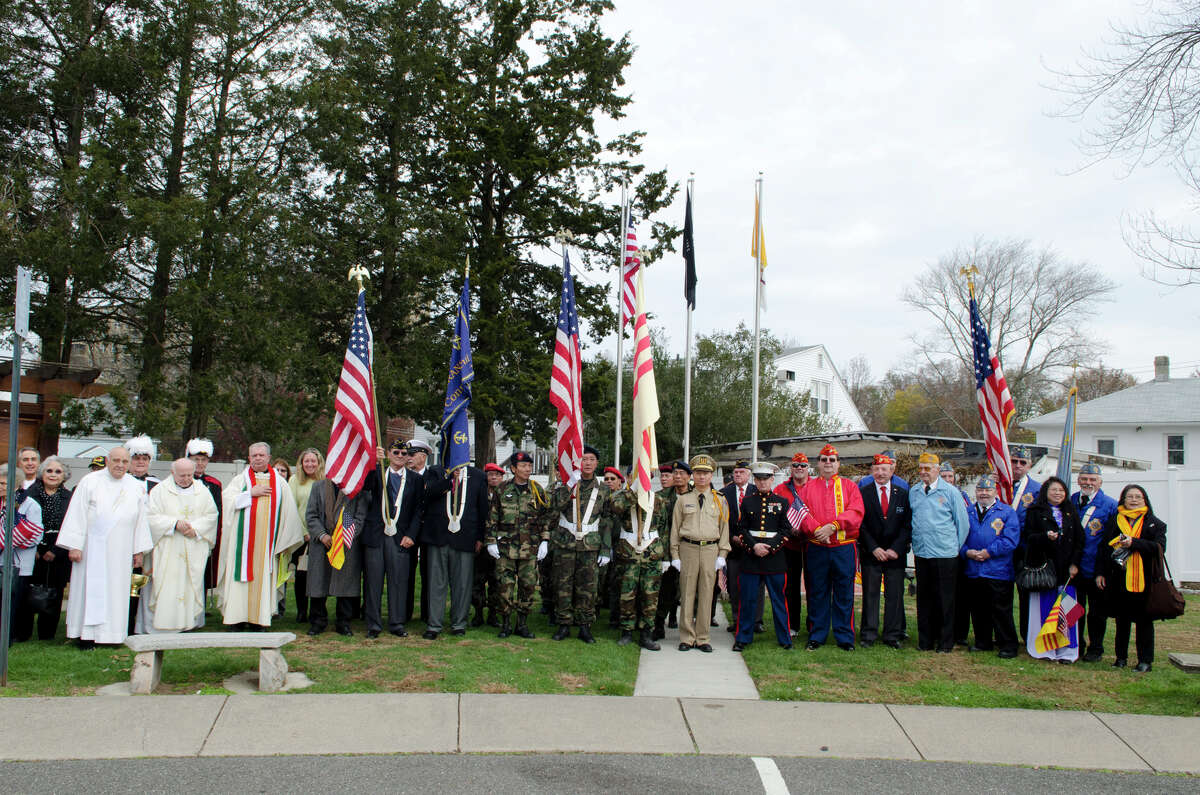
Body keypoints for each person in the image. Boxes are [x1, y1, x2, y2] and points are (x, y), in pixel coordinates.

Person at [57, 447, 154, 647]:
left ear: (129, 464)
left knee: (116, 591)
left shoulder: (135, 486)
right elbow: (77, 513)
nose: (120, 465)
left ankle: (112, 635)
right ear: (108, 461)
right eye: (116, 460)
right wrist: (75, 545)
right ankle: (85, 636)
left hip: (121, 549)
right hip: (91, 547)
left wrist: (138, 551)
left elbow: (141, 520)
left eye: (124, 462)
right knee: (89, 588)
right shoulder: (90, 481)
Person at [219, 442, 305, 629]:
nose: (258, 458)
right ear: (249, 458)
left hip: (267, 546)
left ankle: (259, 619)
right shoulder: (240, 481)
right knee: (239, 580)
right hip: (242, 547)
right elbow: (226, 502)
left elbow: (289, 514)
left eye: (261, 455)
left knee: (263, 580)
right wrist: (250, 493)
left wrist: (284, 542)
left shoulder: (280, 483)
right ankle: (236, 619)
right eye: (254, 455)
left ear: (268, 458)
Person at [795, 444, 864, 651]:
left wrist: (833, 526)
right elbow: (801, 512)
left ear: (838, 464)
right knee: (817, 591)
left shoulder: (850, 487)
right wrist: (818, 530)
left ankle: (844, 637)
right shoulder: (808, 487)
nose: (828, 463)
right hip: (817, 547)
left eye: (832, 460)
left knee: (844, 592)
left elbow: (856, 512)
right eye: (824, 460)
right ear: (818, 463)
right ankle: (817, 634)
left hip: (843, 548)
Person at [548, 446, 613, 643]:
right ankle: (563, 624)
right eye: (583, 459)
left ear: (596, 463)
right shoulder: (565, 487)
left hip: (590, 546)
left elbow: (607, 520)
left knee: (588, 587)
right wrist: (569, 486)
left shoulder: (603, 490)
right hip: (565, 544)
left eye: (591, 459)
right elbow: (554, 508)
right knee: (563, 585)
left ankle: (585, 626)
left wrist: (605, 548)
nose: (587, 462)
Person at [1097, 484, 1165, 673]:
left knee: (1144, 621)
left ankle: (1145, 660)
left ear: (1145, 500)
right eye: (1130, 497)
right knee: (1122, 620)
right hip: (1118, 577)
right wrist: (1101, 572)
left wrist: (1134, 543)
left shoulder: (1154, 523)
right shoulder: (1114, 521)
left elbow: (1159, 548)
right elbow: (1103, 548)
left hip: (1144, 579)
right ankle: (1120, 658)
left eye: (1138, 497)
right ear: (1123, 500)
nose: (1134, 500)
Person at [145, 458, 219, 632]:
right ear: (173, 473)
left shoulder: (202, 491)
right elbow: (151, 517)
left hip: (193, 546)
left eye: (189, 475)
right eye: (182, 475)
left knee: (189, 584)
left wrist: (197, 529)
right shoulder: (160, 491)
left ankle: (187, 624)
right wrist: (174, 524)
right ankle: (165, 624)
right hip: (169, 546)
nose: (186, 479)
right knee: (167, 583)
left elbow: (211, 515)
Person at [908, 452, 970, 653]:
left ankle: (945, 642)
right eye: (921, 468)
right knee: (924, 598)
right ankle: (925, 640)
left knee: (945, 599)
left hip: (945, 554)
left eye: (928, 468)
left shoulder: (950, 492)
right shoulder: (915, 491)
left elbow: (962, 524)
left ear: (937, 470)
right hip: (923, 553)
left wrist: (953, 547)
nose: (924, 472)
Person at [421, 459, 489, 639]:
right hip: (438, 536)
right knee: (436, 583)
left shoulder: (478, 476)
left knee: (463, 583)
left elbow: (483, 510)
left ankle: (459, 623)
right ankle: (434, 624)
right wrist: (449, 479)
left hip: (465, 537)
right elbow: (427, 494)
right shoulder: (435, 472)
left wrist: (480, 537)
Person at [669, 454, 729, 653]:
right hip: (688, 549)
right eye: (698, 473)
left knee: (706, 593)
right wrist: (675, 555)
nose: (702, 477)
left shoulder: (720, 500)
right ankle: (687, 636)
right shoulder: (683, 500)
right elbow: (675, 530)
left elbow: (724, 529)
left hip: (711, 549)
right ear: (693, 475)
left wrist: (723, 554)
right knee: (686, 593)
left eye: (706, 473)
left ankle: (702, 637)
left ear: (711, 476)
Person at [487, 451, 550, 639]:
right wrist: (491, 542)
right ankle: (505, 623)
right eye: (523, 466)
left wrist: (545, 541)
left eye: (529, 466)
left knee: (528, 587)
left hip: (529, 549)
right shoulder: (502, 489)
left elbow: (545, 517)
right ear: (513, 468)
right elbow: (492, 518)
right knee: (504, 586)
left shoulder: (537, 490)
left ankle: (522, 624)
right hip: (506, 549)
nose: (527, 469)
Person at [732, 463, 793, 651]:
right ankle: (743, 637)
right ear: (754, 480)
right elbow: (741, 528)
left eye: (766, 478)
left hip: (774, 560)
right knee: (748, 600)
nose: (762, 482)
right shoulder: (748, 501)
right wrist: (754, 546)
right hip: (751, 558)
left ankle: (784, 639)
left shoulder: (782, 502)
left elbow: (786, 530)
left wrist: (770, 547)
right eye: (758, 479)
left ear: (772, 480)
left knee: (779, 601)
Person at [1023, 476, 1084, 663]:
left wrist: (1075, 563)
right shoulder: (1035, 511)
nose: (1058, 493)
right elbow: (1028, 537)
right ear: (1045, 492)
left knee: (1066, 609)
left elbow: (1080, 540)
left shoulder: (1070, 511)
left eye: (1061, 490)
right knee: (1045, 608)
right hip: (1045, 568)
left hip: (1067, 569)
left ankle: (1067, 651)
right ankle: (1045, 649)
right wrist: (1045, 537)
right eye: (1053, 490)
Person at [12, 457, 73, 641]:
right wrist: (37, 548)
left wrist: (55, 550)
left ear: (64, 476)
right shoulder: (29, 495)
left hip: (59, 550)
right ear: (42, 473)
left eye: (58, 471)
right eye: (49, 471)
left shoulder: (70, 498)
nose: (53, 475)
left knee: (55, 592)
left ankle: (47, 635)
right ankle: (23, 633)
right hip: (33, 550)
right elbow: (23, 521)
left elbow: (72, 525)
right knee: (26, 591)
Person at [305, 468, 369, 637]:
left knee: (345, 583)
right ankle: (317, 621)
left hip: (345, 543)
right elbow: (311, 515)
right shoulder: (317, 487)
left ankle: (344, 622)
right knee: (318, 582)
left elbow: (359, 517)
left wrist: (343, 537)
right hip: (321, 544)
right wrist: (322, 535)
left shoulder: (355, 489)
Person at [609, 472, 669, 650]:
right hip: (628, 552)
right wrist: (634, 490)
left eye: (644, 478)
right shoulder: (621, 497)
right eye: (635, 477)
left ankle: (646, 633)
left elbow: (664, 529)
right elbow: (616, 508)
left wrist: (665, 556)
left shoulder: (658, 500)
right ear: (629, 479)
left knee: (650, 596)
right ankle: (626, 631)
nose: (641, 481)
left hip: (652, 553)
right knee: (627, 593)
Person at [962, 474, 1020, 658]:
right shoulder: (967, 512)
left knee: (1001, 610)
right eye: (980, 490)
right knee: (978, 610)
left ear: (995, 492)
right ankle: (982, 642)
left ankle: (1008, 645)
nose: (984, 493)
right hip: (974, 570)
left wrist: (989, 552)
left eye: (988, 490)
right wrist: (967, 552)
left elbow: (1010, 540)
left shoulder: (1007, 512)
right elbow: (958, 536)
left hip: (998, 571)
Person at [857, 453, 911, 649]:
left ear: (892, 470)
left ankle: (892, 635)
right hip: (871, 553)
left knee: (894, 595)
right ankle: (868, 634)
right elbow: (860, 525)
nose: (880, 473)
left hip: (895, 554)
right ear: (872, 471)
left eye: (884, 469)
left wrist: (895, 549)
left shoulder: (903, 494)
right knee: (870, 594)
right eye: (877, 469)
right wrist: (874, 548)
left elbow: (907, 525)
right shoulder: (863, 492)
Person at [1073, 463, 1118, 663]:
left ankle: (1096, 648)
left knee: (1097, 612)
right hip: (1075, 568)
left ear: (1100, 482)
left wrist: (1104, 570)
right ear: (1078, 480)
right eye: (1084, 479)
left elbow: (1111, 541)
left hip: (1097, 568)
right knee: (1076, 609)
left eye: (1092, 479)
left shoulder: (1109, 505)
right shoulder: (1071, 500)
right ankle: (1077, 644)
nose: (1088, 483)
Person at [722, 459, 761, 635]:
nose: (738, 474)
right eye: (736, 472)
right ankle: (737, 619)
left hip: (753, 548)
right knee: (734, 585)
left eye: (742, 472)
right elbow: (721, 521)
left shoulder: (757, 491)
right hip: (733, 548)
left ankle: (756, 621)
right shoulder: (723, 493)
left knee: (757, 586)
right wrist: (732, 537)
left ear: (749, 474)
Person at [652, 460, 690, 640]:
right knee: (665, 589)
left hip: (690, 549)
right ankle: (659, 624)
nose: (678, 476)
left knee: (687, 590)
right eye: (676, 473)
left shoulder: (696, 496)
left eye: (682, 473)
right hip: (667, 551)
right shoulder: (661, 497)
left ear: (688, 477)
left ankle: (688, 626)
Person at [775, 452, 812, 637]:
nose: (799, 468)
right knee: (791, 586)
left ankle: (813, 624)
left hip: (812, 543)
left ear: (808, 468)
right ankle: (793, 624)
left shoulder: (817, 486)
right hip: (790, 545)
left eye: (803, 465)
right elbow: (775, 515)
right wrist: (789, 529)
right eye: (796, 465)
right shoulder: (781, 489)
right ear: (791, 468)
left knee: (814, 585)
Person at [287, 448, 325, 623]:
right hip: (301, 535)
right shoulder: (294, 480)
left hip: (321, 536)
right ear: (301, 464)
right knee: (301, 575)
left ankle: (318, 610)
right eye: (306, 461)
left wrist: (318, 532)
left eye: (313, 461)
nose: (310, 464)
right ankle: (302, 610)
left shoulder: (325, 480)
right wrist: (304, 533)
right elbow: (291, 508)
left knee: (319, 574)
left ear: (319, 463)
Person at [1010, 445, 1041, 641]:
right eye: (1014, 461)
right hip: (1000, 551)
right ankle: (1003, 634)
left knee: (1026, 595)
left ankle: (1027, 635)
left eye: (1022, 463)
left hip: (1024, 550)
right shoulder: (996, 484)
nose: (1018, 466)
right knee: (1000, 595)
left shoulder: (1037, 490)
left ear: (1029, 466)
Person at [187, 438, 223, 604]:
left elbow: (217, 512)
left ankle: (199, 607)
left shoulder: (213, 484)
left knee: (202, 571)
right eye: (196, 459)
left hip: (204, 534)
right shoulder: (181, 481)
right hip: (186, 531)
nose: (199, 463)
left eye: (203, 460)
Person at [472, 462, 506, 627]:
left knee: (496, 582)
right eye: (490, 474)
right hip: (481, 545)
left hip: (500, 546)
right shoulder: (479, 493)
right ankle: (478, 614)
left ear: (502, 477)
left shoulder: (506, 494)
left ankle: (493, 615)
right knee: (477, 582)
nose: (494, 477)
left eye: (497, 475)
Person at [406, 439, 434, 623]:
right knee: (406, 573)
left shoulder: (433, 476)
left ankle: (427, 613)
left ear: (423, 456)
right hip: (408, 532)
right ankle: (405, 612)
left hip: (427, 533)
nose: (408, 458)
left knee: (428, 573)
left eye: (412, 455)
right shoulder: (404, 476)